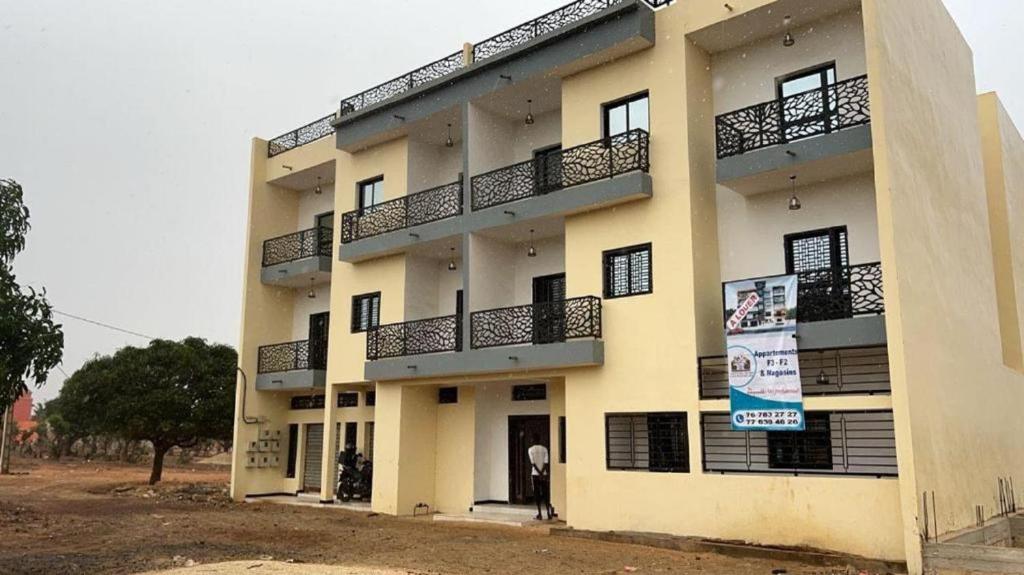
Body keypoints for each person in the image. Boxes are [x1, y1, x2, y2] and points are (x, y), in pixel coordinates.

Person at [527, 434, 553, 520]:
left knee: (537, 494)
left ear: (533, 440)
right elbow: (546, 463)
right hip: (544, 474)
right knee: (546, 493)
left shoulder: (530, 449)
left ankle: (540, 514)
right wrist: (542, 472)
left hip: (535, 474)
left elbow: (533, 463)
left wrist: (538, 472)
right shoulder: (544, 449)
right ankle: (549, 514)